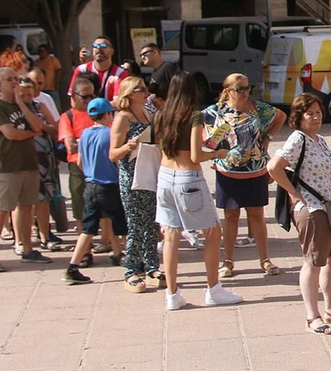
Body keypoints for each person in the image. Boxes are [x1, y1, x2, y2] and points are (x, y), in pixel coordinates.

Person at [269, 91, 331, 334]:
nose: (316, 117)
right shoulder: (298, 139)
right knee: (313, 261)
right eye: (310, 113)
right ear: (299, 117)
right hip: (315, 209)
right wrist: (295, 195)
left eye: (318, 112)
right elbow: (273, 167)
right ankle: (312, 316)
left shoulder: (318, 138)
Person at [155, 71, 239, 310]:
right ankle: (213, 288)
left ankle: (172, 294)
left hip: (165, 176)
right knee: (212, 232)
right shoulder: (194, 115)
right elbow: (195, 155)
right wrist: (217, 153)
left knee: (171, 235)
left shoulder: (161, 115)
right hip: (187, 177)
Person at [205, 73, 286, 280]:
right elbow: (200, 128)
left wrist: (267, 136)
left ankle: (265, 259)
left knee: (257, 214)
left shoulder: (257, 108)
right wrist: (211, 151)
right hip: (227, 171)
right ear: (228, 91)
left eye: (247, 88)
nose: (245, 92)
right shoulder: (215, 111)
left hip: (255, 169)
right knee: (230, 216)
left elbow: (280, 116)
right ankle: (228, 261)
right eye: (240, 89)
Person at [0, 67, 51, 272]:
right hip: (8, 167)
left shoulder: (25, 104)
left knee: (27, 207)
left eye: (16, 79)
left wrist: (21, 104)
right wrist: (30, 133)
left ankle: (28, 250)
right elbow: (10, 134)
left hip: (29, 164)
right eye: (9, 79)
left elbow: (39, 127)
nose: (14, 82)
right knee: (2, 210)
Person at [109, 77, 161, 292]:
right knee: (136, 225)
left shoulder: (149, 114)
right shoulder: (123, 118)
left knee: (152, 223)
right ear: (129, 93)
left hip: (150, 172)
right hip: (131, 177)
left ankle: (152, 267)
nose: (145, 92)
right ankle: (131, 270)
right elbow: (113, 153)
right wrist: (128, 146)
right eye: (140, 89)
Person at [66, 97, 125, 285]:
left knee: (88, 228)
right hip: (109, 184)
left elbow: (79, 162)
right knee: (121, 224)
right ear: (108, 114)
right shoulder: (110, 134)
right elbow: (116, 160)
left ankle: (73, 266)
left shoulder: (84, 134)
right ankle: (131, 258)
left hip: (90, 185)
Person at [18, 75, 66, 252]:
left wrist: (42, 127)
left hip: (44, 157)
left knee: (44, 199)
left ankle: (45, 236)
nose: (26, 99)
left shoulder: (41, 106)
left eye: (29, 95)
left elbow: (55, 127)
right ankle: (21, 241)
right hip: (22, 158)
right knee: (22, 203)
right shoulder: (13, 110)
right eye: (22, 95)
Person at [57, 77, 96, 234]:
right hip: (78, 166)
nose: (89, 100)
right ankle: (84, 241)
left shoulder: (97, 112)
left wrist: (82, 141)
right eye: (84, 97)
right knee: (80, 205)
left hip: (97, 164)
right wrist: (93, 140)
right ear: (73, 96)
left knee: (103, 206)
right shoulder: (68, 116)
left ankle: (107, 242)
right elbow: (71, 147)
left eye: (91, 96)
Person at [70, 36, 133, 102]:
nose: (98, 48)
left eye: (103, 46)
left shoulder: (120, 73)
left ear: (112, 51)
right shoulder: (81, 70)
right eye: (95, 46)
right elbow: (73, 98)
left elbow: (119, 102)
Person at [33, 43, 63, 107]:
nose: (39, 53)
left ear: (46, 51)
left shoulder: (53, 60)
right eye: (38, 51)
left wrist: (57, 82)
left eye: (41, 51)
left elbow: (58, 70)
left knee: (55, 105)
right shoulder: (37, 62)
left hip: (51, 87)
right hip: (41, 89)